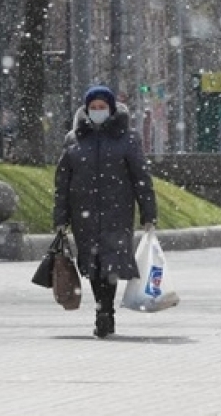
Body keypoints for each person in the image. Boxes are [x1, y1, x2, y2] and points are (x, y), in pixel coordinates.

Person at [53, 85, 158, 339]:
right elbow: (63, 183)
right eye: (93, 108)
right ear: (86, 110)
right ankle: (102, 307)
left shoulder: (127, 138)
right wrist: (60, 217)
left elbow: (140, 178)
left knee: (110, 264)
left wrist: (148, 213)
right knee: (91, 264)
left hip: (117, 213)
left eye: (102, 107)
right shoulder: (74, 139)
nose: (97, 112)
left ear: (111, 109)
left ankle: (105, 311)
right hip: (84, 213)